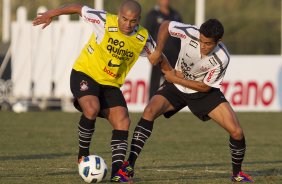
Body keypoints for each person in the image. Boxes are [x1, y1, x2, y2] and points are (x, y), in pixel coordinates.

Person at [32, 1, 172, 182]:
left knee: (123, 121)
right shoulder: (104, 20)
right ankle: (82, 155)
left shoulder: (142, 38)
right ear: (118, 14)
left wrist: (172, 74)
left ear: (138, 20)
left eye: (133, 21)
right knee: (91, 108)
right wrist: (52, 13)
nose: (128, 24)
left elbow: (158, 57)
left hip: (110, 84)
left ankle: (116, 173)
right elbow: (78, 8)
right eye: (124, 19)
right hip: (85, 73)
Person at [125, 19, 254, 182]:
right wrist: (158, 50)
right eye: (201, 40)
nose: (202, 46)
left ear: (218, 41)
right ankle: (128, 166)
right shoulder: (190, 33)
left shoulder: (223, 58)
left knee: (237, 132)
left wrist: (175, 78)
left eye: (207, 43)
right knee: (149, 111)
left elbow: (205, 88)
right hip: (176, 88)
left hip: (202, 93)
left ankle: (237, 174)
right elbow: (165, 25)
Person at [145, 0, 182, 99]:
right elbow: (146, 34)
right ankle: (151, 103)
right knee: (155, 81)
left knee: (173, 80)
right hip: (159, 54)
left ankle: (172, 102)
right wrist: (150, 53)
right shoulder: (153, 15)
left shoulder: (176, 15)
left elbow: (181, 37)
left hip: (174, 54)